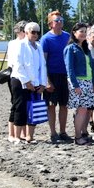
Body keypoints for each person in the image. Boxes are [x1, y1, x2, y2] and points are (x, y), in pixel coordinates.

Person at [11, 21, 48, 144]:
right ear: (26, 32)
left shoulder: (39, 46)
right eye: (33, 32)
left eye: (37, 32)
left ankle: (30, 137)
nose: (35, 34)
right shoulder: (20, 45)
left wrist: (43, 83)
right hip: (20, 81)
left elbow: (43, 66)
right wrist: (27, 82)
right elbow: (18, 65)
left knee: (34, 109)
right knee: (20, 108)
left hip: (36, 83)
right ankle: (17, 136)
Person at [40, 11, 71, 143]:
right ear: (50, 24)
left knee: (64, 105)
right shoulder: (45, 39)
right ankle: (53, 132)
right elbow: (43, 62)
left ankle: (63, 131)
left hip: (65, 76)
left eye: (61, 20)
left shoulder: (68, 37)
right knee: (51, 106)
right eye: (57, 20)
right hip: (51, 76)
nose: (59, 22)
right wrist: (47, 81)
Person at [63, 22, 94, 146]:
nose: (83, 33)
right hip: (78, 82)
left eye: (85, 31)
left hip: (88, 82)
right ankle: (77, 137)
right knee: (81, 111)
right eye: (80, 31)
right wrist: (75, 85)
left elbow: (91, 66)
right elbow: (69, 68)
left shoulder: (86, 48)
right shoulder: (70, 48)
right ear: (74, 33)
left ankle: (81, 135)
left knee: (84, 110)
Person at [4, 21, 27, 143]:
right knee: (17, 105)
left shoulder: (14, 43)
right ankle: (12, 134)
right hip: (16, 76)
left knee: (20, 105)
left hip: (20, 76)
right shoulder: (17, 44)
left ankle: (20, 133)